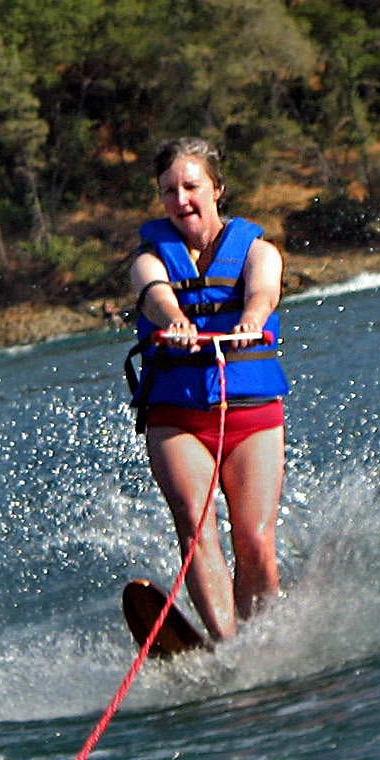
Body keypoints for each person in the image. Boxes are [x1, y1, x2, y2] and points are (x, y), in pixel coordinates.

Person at [125, 137, 286, 641]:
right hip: (178, 416)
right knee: (196, 527)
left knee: (255, 539)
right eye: (168, 191)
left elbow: (264, 291)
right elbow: (154, 293)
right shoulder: (148, 260)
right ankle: (227, 645)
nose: (181, 200)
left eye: (191, 187)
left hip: (250, 412)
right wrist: (173, 320)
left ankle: (264, 642)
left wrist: (252, 319)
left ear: (217, 189)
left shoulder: (258, 252)